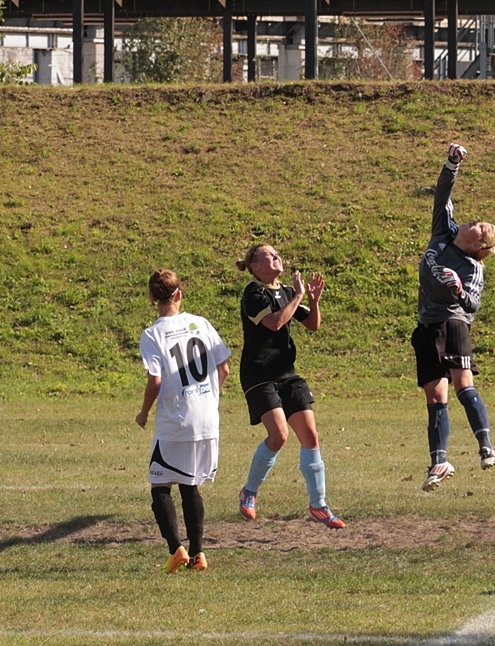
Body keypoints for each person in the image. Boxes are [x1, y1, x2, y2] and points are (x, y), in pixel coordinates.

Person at [412, 143, 495, 492]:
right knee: (435, 397)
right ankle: (439, 462)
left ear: (478, 245)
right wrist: (452, 164)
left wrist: (458, 290)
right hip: (427, 326)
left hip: (453, 323)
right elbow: (443, 197)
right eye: (476, 222)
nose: (474, 222)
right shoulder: (443, 234)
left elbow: (473, 303)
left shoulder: (473, 267)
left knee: (463, 385)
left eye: (480, 227)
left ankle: (486, 447)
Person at [234, 244, 345, 529]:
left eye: (277, 253)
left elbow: (312, 325)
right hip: (259, 375)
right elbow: (274, 323)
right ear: (254, 266)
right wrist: (298, 296)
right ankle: (249, 492)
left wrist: (314, 301)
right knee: (279, 436)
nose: (276, 257)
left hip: (287, 373)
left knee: (310, 436)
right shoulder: (253, 293)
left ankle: (318, 505)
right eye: (269, 255)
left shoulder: (284, 290)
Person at [137, 269, 231, 573]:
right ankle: (199, 552)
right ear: (179, 294)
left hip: (176, 420)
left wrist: (143, 412)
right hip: (207, 419)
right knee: (190, 484)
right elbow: (224, 369)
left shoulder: (153, 334)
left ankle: (176, 549)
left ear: (152, 298)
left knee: (160, 484)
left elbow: (155, 381)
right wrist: (208, 399)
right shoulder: (201, 324)